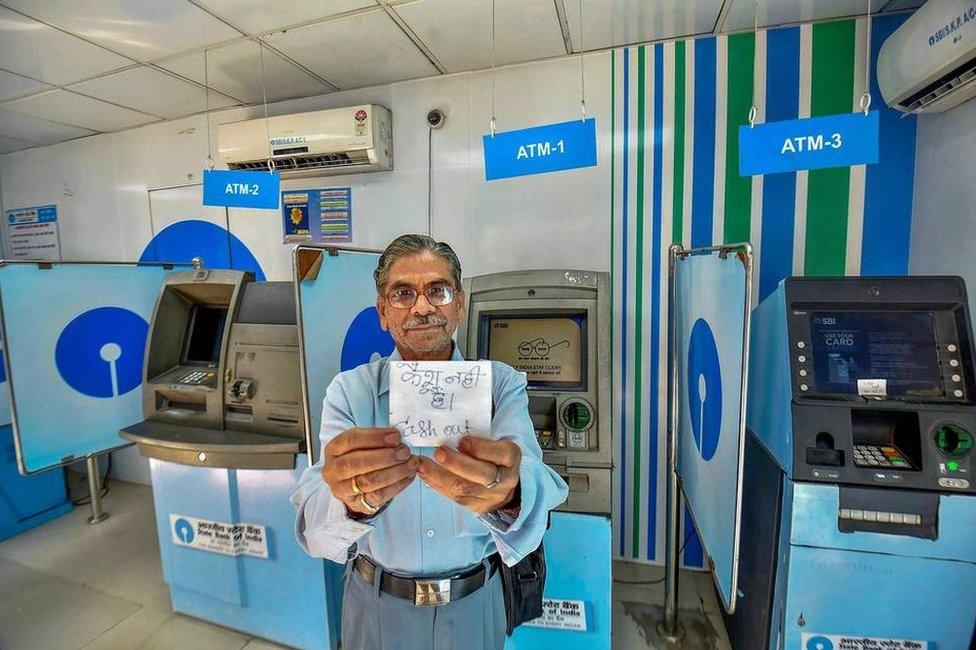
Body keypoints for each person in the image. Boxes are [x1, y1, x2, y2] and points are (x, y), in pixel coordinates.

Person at [291, 234, 569, 649]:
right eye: (402, 294)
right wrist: (350, 502)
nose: (421, 307)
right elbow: (315, 530)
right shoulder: (349, 392)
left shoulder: (502, 385)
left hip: (474, 603)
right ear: (383, 312)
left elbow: (531, 474)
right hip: (374, 604)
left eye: (436, 291)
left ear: (458, 303)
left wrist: (510, 494)